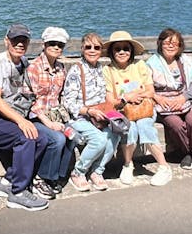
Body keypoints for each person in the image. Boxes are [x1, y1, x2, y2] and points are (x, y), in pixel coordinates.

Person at [0, 23, 49, 211]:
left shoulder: (24, 62)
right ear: (6, 41)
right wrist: (21, 121)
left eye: (24, 40)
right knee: (26, 138)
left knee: (42, 139)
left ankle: (9, 181)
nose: (20, 44)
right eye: (15, 40)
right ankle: (18, 192)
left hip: (10, 116)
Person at [103, 30, 173, 187]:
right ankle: (128, 164)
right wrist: (126, 98)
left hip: (143, 109)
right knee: (130, 129)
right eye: (117, 49)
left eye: (126, 48)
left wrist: (135, 95)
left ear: (131, 51)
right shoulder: (108, 70)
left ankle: (164, 167)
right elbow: (110, 101)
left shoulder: (139, 65)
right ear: (111, 52)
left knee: (144, 125)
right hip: (123, 111)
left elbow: (150, 91)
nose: (122, 52)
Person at [145, 28, 192, 173]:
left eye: (174, 43)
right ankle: (187, 152)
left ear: (180, 46)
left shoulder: (187, 61)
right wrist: (158, 98)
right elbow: (146, 85)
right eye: (167, 43)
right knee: (176, 124)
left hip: (186, 99)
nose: (170, 46)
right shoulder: (151, 64)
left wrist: (184, 97)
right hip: (164, 104)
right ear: (160, 44)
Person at [60, 33, 119, 191]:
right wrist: (89, 111)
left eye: (96, 47)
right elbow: (68, 102)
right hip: (79, 117)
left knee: (115, 133)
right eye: (88, 47)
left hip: (99, 116)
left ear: (101, 50)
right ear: (82, 49)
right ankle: (78, 172)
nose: (92, 50)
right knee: (99, 140)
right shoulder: (76, 70)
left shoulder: (101, 69)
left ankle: (97, 171)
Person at [25, 26, 75, 198]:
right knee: (57, 139)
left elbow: (60, 96)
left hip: (55, 115)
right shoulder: (34, 68)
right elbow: (30, 101)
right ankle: (41, 178)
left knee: (72, 135)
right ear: (44, 45)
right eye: (52, 43)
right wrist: (48, 123)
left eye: (60, 45)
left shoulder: (60, 68)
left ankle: (57, 176)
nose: (56, 47)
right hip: (37, 117)